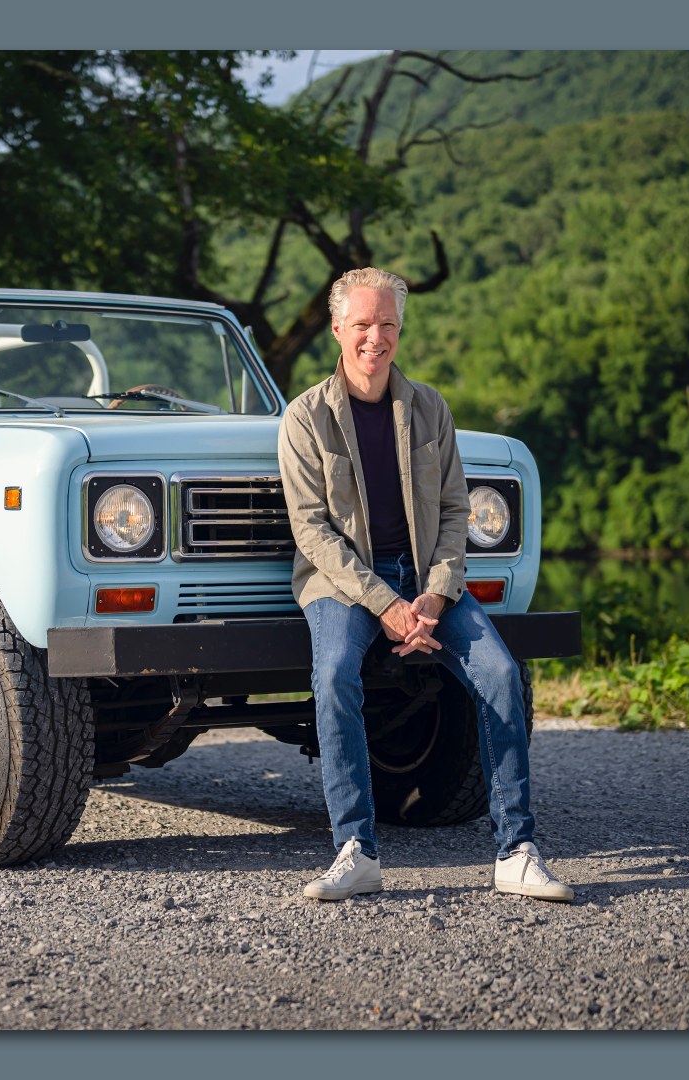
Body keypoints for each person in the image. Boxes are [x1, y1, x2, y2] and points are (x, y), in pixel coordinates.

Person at [277, 267, 573, 903]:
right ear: (337, 328)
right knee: (333, 676)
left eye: (387, 323)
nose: (375, 337)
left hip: (429, 582)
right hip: (344, 586)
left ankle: (517, 851)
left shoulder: (430, 408)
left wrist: (435, 595)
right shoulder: (304, 418)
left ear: (400, 329)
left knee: (498, 673)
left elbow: (454, 513)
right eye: (363, 324)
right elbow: (312, 533)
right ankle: (355, 850)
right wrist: (387, 606)